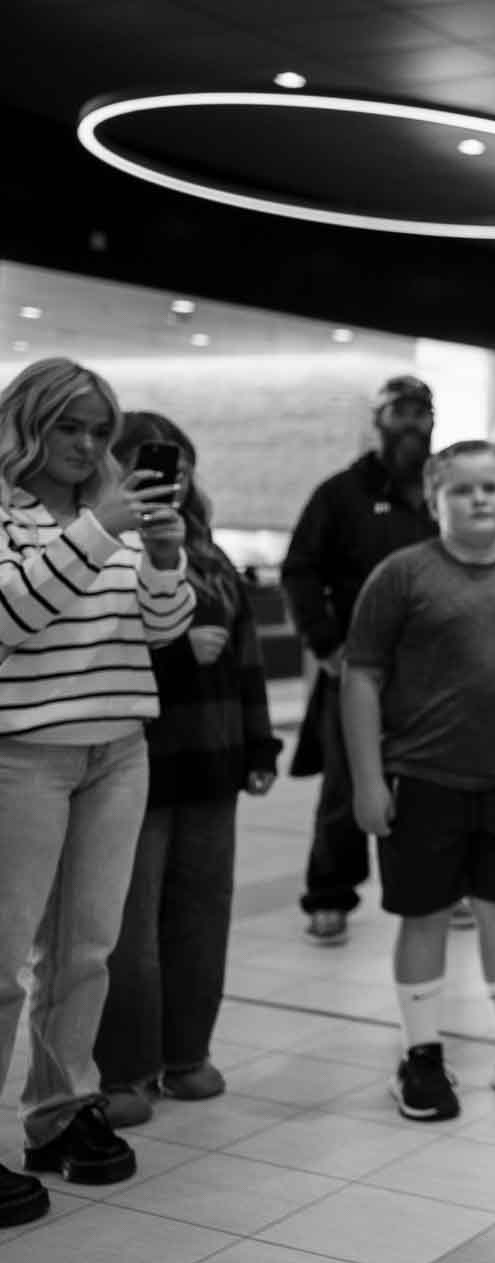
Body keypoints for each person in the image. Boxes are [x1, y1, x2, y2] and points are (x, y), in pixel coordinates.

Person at [342, 440, 495, 1121]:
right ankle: (420, 1053)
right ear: (434, 499)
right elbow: (360, 676)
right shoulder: (402, 576)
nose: (480, 499)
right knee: (422, 916)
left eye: (492, 487)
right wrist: (367, 780)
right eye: (463, 490)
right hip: (422, 778)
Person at [0, 358, 191, 1220]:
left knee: (84, 953)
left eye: (98, 431)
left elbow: (163, 628)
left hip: (118, 751)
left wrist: (161, 556)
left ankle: (58, 1113)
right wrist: (99, 533)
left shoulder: (109, 515)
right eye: (69, 426)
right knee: (0, 964)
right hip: (22, 756)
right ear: (30, 425)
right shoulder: (9, 517)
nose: (85, 446)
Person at [94, 413, 281, 1129]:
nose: (170, 481)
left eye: (178, 467)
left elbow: (247, 656)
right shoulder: (100, 546)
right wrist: (174, 654)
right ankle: (123, 1070)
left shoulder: (207, 552)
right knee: (129, 932)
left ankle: (186, 1055)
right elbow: (94, 656)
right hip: (132, 762)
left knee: (202, 919)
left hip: (211, 764)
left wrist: (259, 747)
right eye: (146, 466)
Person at [283, 376, 438, 945]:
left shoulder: (440, 492)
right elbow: (299, 570)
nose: (412, 423)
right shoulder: (340, 494)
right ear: (378, 421)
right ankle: (329, 894)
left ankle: (442, 885)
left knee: (435, 784)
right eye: (400, 412)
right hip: (356, 671)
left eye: (421, 412)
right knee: (346, 791)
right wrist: (326, 644)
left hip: (430, 674)